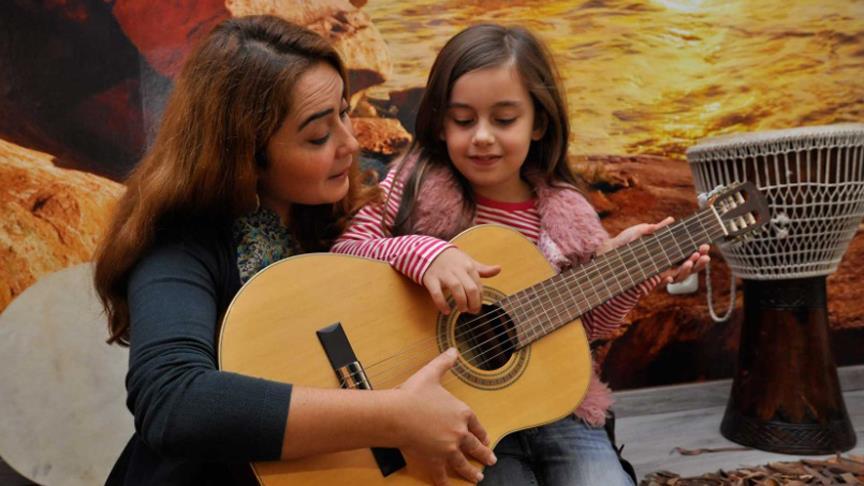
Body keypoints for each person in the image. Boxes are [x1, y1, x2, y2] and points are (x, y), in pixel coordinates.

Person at [93, 15, 496, 486]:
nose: (350, 144)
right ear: (244, 154)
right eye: (318, 136)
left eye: (345, 113)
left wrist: (434, 256)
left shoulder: (360, 205)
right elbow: (173, 402)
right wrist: (393, 416)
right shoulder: (179, 242)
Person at [331, 24, 710, 486]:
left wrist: (630, 278)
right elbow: (347, 252)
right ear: (441, 122)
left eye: (504, 119)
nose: (482, 137)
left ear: (539, 123)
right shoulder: (413, 185)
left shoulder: (568, 217)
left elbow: (586, 332)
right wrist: (425, 254)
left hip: (560, 406)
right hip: (452, 411)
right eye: (463, 120)